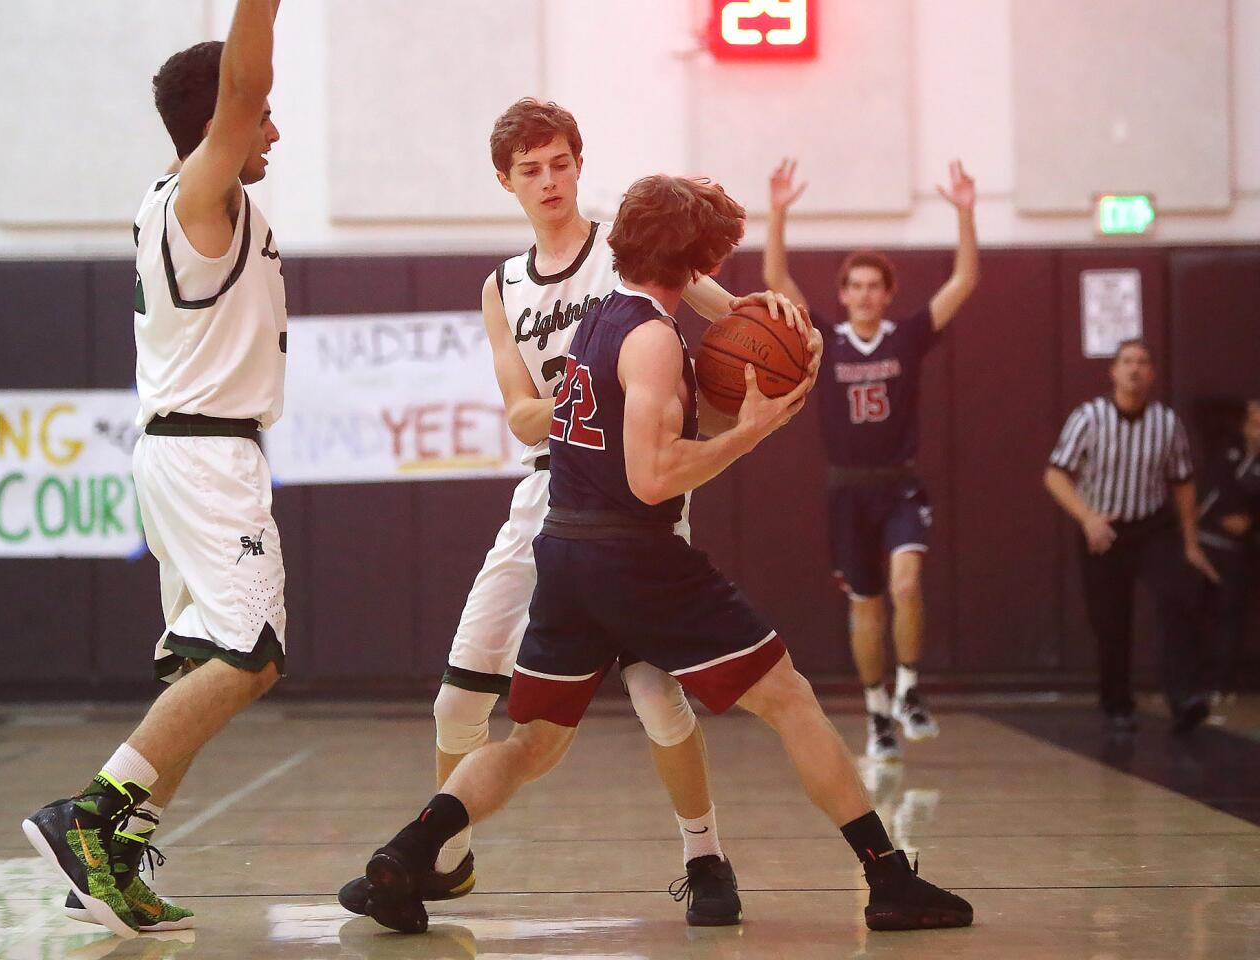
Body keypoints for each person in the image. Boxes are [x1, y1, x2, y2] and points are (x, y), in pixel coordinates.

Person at [351, 174, 972, 937]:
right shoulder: (650, 336)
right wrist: (752, 430)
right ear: (695, 259)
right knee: (790, 699)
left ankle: (410, 850)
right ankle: (888, 879)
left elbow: (653, 422)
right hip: (633, 558)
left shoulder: (603, 320)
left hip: (568, 553)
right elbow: (652, 477)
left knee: (533, 743)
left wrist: (747, 390)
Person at [337, 98, 804, 926]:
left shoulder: (625, 253)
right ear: (505, 182)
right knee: (456, 704)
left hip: (637, 494)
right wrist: (579, 405)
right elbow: (518, 410)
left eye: (559, 163)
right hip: (546, 497)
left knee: (661, 699)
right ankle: (445, 861)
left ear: (579, 165)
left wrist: (784, 318)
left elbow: (736, 322)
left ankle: (705, 858)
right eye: (530, 170)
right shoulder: (501, 287)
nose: (548, 181)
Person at [21, 0, 287, 938]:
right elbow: (244, 87)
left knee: (209, 661)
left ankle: (120, 853)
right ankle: (86, 818)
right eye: (261, 115)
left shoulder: (188, 200)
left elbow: (245, 98)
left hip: (194, 454)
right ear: (223, 117)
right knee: (249, 657)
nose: (274, 128)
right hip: (207, 458)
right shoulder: (196, 196)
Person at [762, 159, 980, 762]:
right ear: (842, 296)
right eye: (854, 286)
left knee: (906, 583)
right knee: (866, 603)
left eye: (873, 286)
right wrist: (777, 211)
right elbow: (776, 276)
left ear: (887, 295)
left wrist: (965, 212)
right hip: (847, 491)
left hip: (901, 486)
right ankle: (878, 710)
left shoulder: (907, 336)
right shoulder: (825, 340)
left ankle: (910, 686)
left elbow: (963, 281)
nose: (863, 294)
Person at [1044, 339, 1219, 733]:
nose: (1135, 369)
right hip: (1103, 525)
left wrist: (1191, 544)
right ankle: (1116, 702)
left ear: (1152, 374)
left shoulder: (1166, 422)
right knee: (1111, 620)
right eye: (1127, 362)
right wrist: (1087, 518)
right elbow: (1055, 475)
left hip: (1152, 525)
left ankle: (1185, 696)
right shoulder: (1089, 417)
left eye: (1143, 362)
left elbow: (1183, 482)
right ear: (1114, 372)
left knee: (1179, 599)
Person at [1197, 399, 1260, 699]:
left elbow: (1250, 493)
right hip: (1204, 542)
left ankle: (1224, 684)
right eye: (1254, 422)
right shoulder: (1225, 449)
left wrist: (1251, 522)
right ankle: (1190, 682)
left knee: (1230, 615)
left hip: (1238, 551)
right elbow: (1212, 489)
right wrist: (1219, 517)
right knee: (1194, 612)